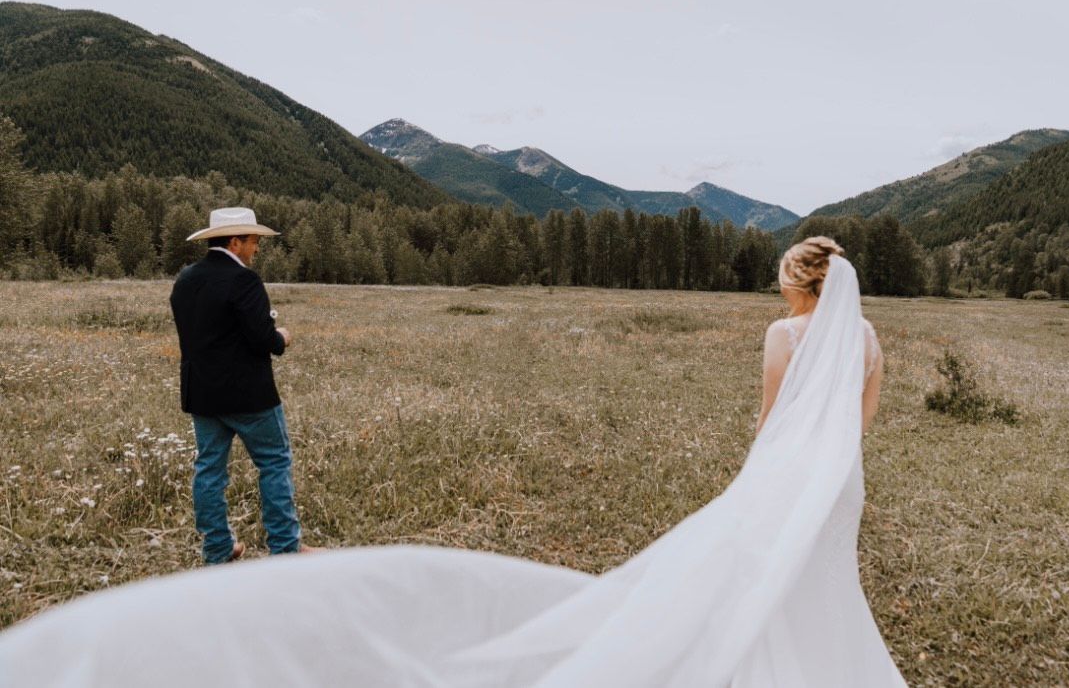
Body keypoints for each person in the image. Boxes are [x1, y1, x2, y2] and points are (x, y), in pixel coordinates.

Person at [0, 237, 905, 686]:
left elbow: (765, 420)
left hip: (204, 399)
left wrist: (762, 473)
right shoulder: (863, 338)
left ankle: (233, 545)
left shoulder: (783, 335)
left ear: (798, 284)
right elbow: (858, 421)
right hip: (839, 479)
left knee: (218, 472)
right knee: (823, 569)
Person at [168, 207, 312, 563]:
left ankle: (217, 549)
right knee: (275, 463)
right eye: (253, 241)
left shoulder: (185, 279)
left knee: (209, 469)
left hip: (202, 394)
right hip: (250, 396)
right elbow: (264, 340)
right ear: (235, 242)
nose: (257, 248)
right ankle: (286, 547)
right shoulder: (244, 280)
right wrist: (282, 336)